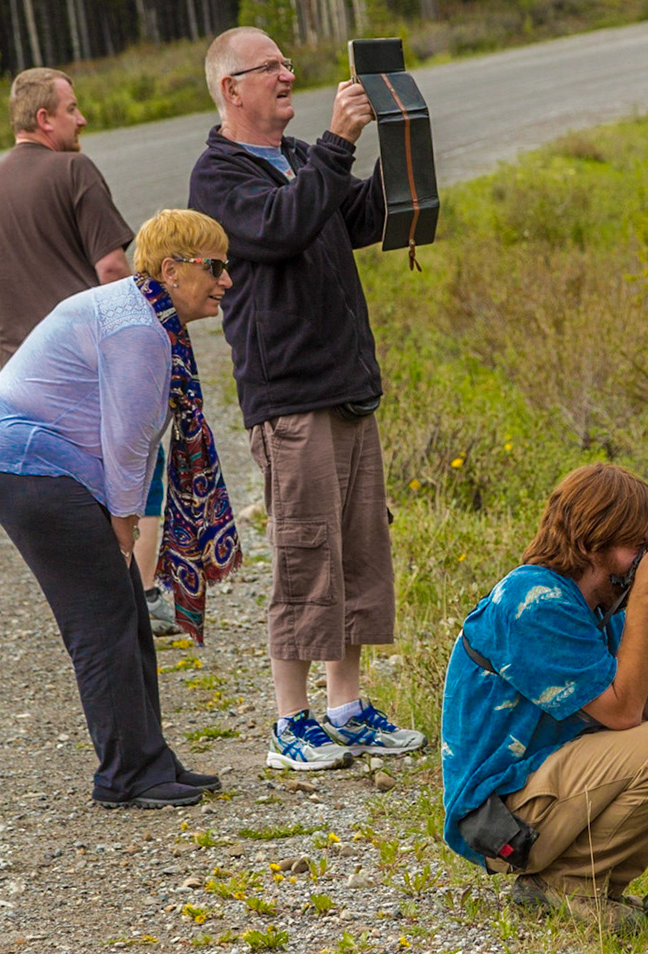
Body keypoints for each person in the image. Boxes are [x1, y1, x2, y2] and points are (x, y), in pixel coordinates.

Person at [190, 26, 423, 771]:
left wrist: (403, 137)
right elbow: (284, 227)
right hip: (289, 395)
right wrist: (336, 144)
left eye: (289, 63)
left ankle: (346, 707)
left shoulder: (296, 158)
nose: (289, 74)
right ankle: (290, 723)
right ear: (233, 88)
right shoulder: (218, 177)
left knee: (356, 551)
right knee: (304, 554)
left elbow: (353, 216)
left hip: (345, 384)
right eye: (272, 68)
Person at [0, 209, 243, 809]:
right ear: (173, 269)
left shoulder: (146, 311)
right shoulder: (139, 330)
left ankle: (150, 758)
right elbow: (127, 441)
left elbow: (133, 440)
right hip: (24, 465)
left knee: (127, 613)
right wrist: (124, 522)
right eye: (216, 268)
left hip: (42, 463)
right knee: (101, 620)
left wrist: (122, 516)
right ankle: (126, 776)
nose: (226, 281)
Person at [441, 464, 648, 933]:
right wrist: (642, 601)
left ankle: (600, 883)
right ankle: (566, 884)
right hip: (501, 818)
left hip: (547, 786)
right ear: (587, 544)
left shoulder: (601, 603)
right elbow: (623, 714)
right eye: (637, 545)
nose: (647, 556)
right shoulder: (532, 600)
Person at [0, 66, 177, 637]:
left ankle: (101, 597)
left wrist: (10, 356)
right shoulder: (74, 170)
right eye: (72, 108)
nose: (83, 119)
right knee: (134, 473)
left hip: (27, 386)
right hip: (91, 369)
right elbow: (110, 268)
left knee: (72, 497)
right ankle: (142, 595)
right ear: (44, 118)